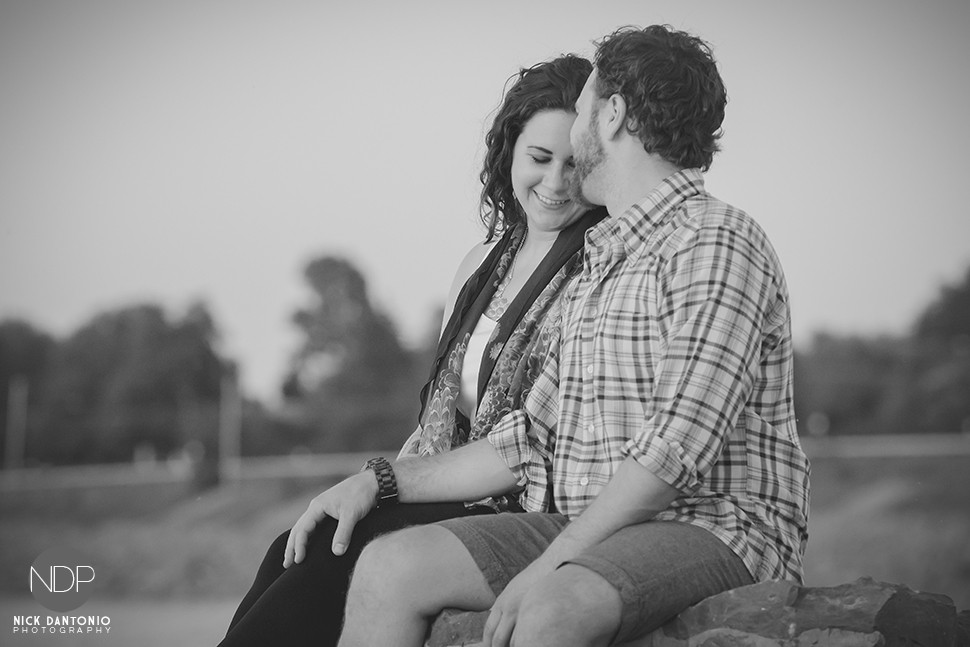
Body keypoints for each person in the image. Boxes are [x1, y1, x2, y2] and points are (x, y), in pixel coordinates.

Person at [335, 25, 811, 647]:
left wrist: (549, 563)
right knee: (390, 567)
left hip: (713, 528)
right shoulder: (602, 257)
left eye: (584, 103)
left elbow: (672, 453)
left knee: (553, 608)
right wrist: (383, 478)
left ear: (611, 115)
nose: (576, 122)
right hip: (584, 525)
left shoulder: (715, 240)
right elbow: (527, 436)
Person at [218, 54, 606, 647]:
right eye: (539, 158)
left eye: (574, 165)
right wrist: (370, 482)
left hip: (525, 503)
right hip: (447, 485)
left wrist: (386, 483)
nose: (555, 183)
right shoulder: (482, 266)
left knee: (334, 559)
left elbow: (542, 439)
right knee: (295, 547)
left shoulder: (598, 269)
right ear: (510, 153)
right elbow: (439, 418)